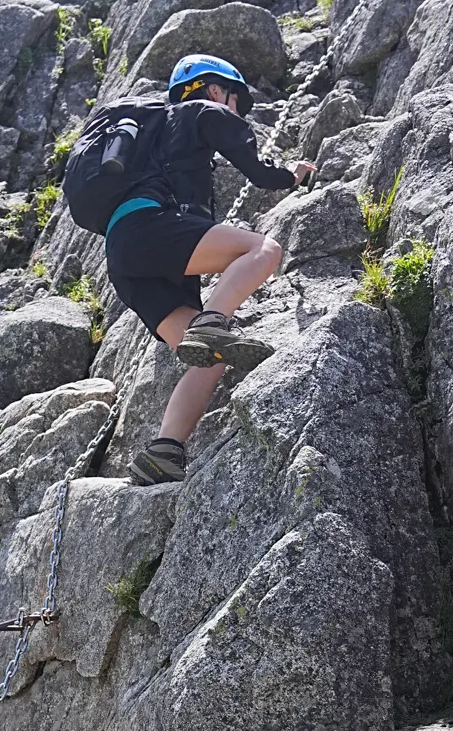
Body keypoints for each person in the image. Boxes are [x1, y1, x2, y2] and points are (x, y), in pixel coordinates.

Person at [102, 54, 314, 485]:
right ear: (217, 90)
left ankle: (165, 450)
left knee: (211, 359)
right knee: (263, 249)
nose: (234, 110)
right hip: (152, 228)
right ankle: (212, 321)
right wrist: (291, 175)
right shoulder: (204, 109)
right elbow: (257, 172)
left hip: (124, 255)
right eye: (235, 101)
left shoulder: (154, 134)